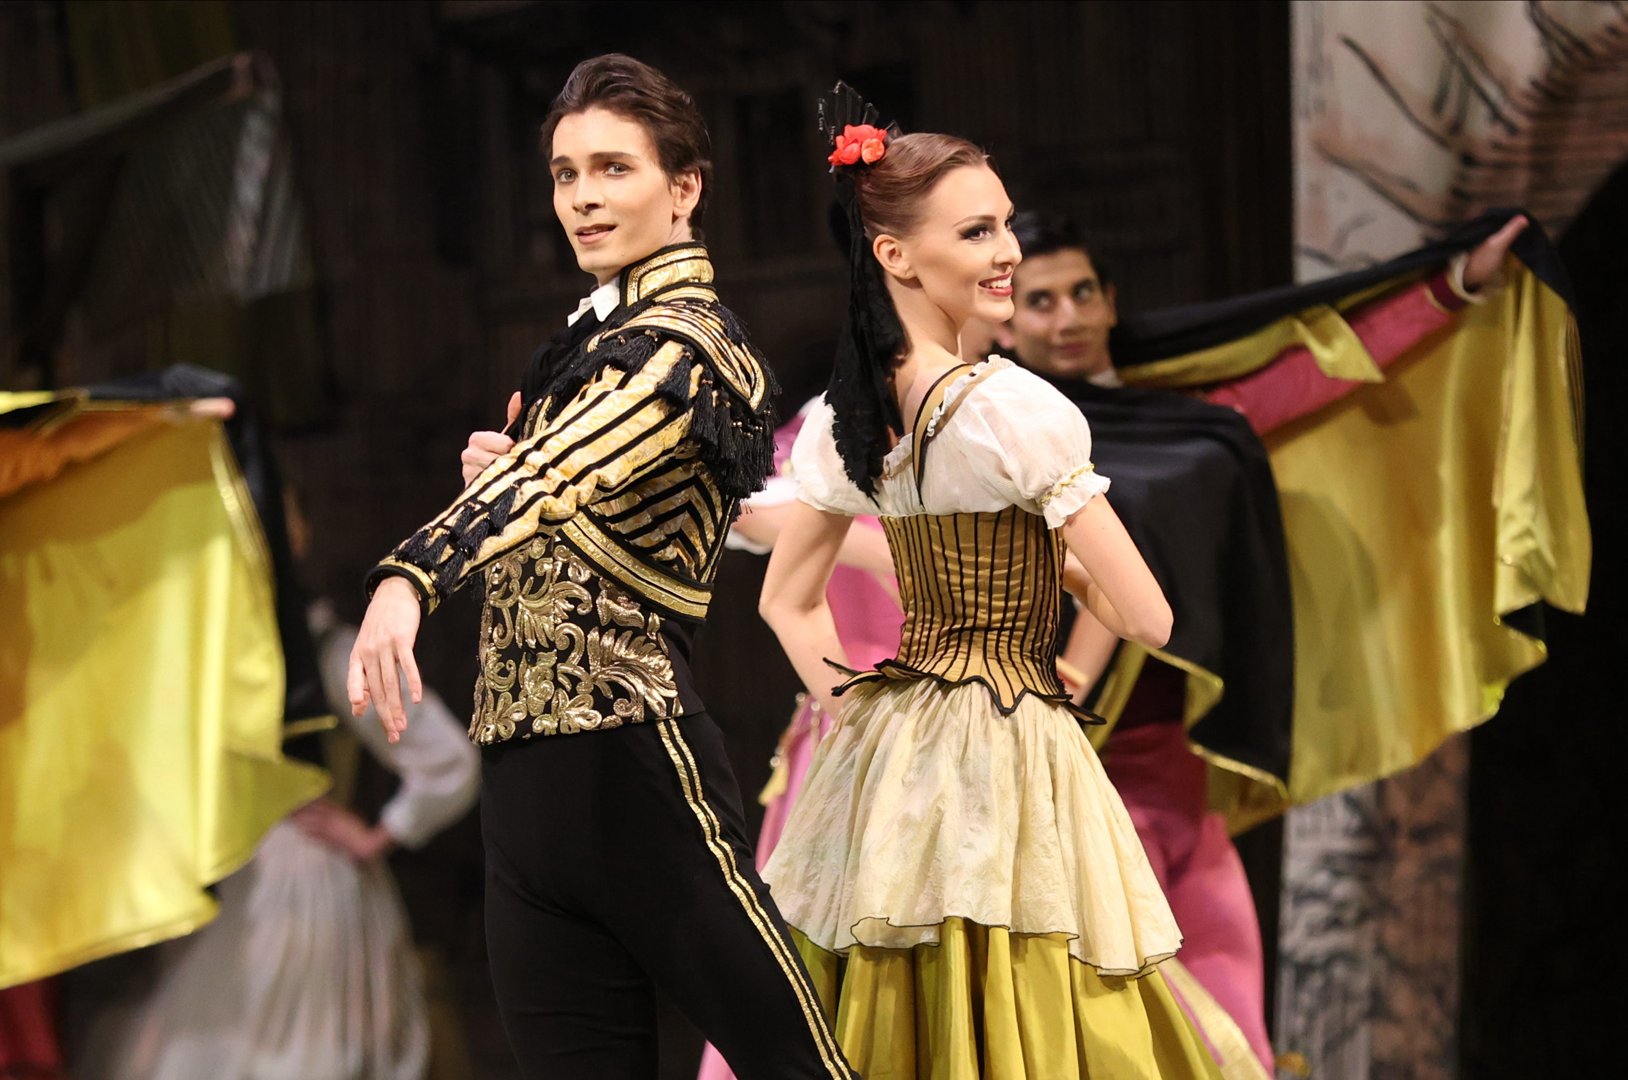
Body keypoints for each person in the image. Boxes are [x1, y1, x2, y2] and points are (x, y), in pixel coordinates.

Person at [348, 54, 855, 1080]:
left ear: (684, 187)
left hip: (631, 755)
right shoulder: (586, 349)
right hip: (523, 782)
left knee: (796, 1067)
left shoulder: (687, 343)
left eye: (613, 169)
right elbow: (549, 480)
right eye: (565, 173)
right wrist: (507, 473)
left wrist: (410, 575)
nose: (582, 196)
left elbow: (555, 473)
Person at [991, 211, 1526, 1073]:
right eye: (1041, 301)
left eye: (1083, 292)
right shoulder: (997, 441)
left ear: (1112, 300)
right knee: (1137, 1044)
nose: (1068, 317)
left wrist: (1452, 285)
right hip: (1078, 783)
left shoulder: (1185, 420)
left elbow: (1316, 371)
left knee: (1239, 1037)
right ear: (1005, 322)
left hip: (1176, 778)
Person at [756, 95, 1222, 1078]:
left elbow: (785, 603)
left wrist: (856, 717)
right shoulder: (1015, 410)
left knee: (903, 1009)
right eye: (977, 231)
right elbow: (1147, 616)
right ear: (895, 255)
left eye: (1003, 223)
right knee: (1042, 999)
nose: (1007, 250)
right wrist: (1064, 566)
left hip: (895, 751)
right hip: (1011, 739)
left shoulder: (848, 414)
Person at [72, 486, 480, 1080]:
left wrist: (380, 833)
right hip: (232, 875)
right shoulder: (202, 658)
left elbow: (448, 757)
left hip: (306, 884)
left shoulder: (326, 651)